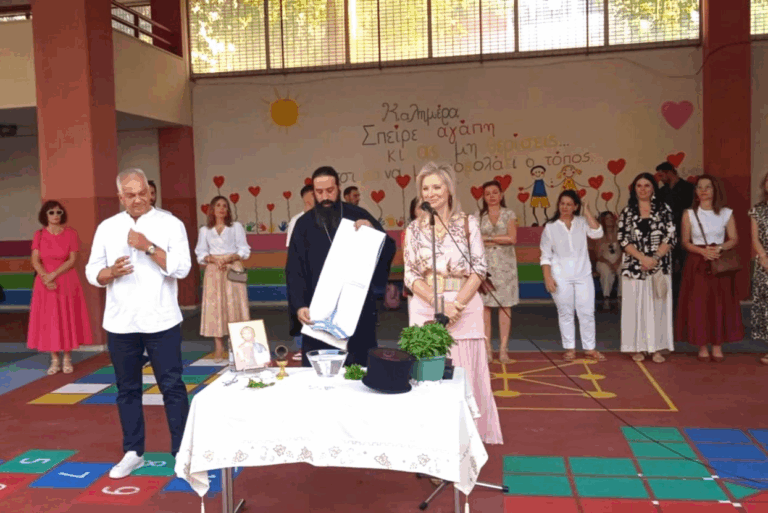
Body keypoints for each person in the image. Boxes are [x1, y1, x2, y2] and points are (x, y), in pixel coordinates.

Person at [85, 168, 192, 479]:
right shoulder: (107, 227)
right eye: (130, 195)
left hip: (162, 320)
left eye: (142, 193)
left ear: (150, 192)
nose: (137, 199)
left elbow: (182, 269)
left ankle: (182, 453)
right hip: (121, 323)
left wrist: (149, 247)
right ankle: (133, 452)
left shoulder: (170, 224)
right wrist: (111, 273)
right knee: (127, 390)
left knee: (172, 387)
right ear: (120, 197)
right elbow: (92, 272)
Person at [403, 162, 503, 444]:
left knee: (465, 373)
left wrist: (455, 306)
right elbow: (410, 274)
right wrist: (439, 304)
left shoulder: (468, 223)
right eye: (425, 188)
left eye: (437, 186)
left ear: (449, 190)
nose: (430, 193)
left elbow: (479, 269)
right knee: (427, 376)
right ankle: (433, 439)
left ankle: (468, 439)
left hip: (464, 306)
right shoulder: (414, 229)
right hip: (426, 307)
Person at [285, 166, 396, 366]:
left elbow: (388, 248)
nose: (325, 197)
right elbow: (294, 269)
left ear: (338, 188)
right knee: (320, 369)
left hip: (357, 308)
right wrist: (299, 305)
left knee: (359, 368)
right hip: (317, 310)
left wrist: (372, 231)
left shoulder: (358, 214)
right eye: (319, 192)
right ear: (313, 192)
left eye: (330, 191)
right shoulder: (303, 225)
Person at [676, 174, 744, 362]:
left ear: (715, 190)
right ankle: (702, 346)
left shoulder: (726, 212)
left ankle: (717, 345)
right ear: (695, 191)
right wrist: (702, 251)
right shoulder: (689, 213)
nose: (703, 190)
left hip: (719, 263)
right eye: (699, 187)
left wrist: (719, 248)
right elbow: (685, 241)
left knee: (719, 304)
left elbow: (734, 239)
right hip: (697, 263)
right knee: (699, 305)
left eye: (708, 187)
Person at [28, 200, 93, 375]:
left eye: (59, 212)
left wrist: (53, 275)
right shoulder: (39, 235)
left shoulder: (71, 233)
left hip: (66, 280)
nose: (55, 215)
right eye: (51, 212)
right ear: (45, 215)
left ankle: (67, 359)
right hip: (45, 283)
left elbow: (72, 260)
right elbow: (35, 260)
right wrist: (45, 277)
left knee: (67, 317)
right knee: (51, 319)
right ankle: (54, 360)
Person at [617, 173, 676, 363]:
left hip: (659, 267)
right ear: (634, 189)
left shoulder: (664, 209)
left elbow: (670, 236)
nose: (643, 189)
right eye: (639, 185)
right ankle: (637, 347)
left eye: (647, 185)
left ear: (653, 188)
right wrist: (643, 258)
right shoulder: (627, 211)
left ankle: (656, 348)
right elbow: (623, 239)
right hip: (634, 268)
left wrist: (655, 258)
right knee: (635, 309)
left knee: (658, 309)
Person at [540, 190, 604, 361]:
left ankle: (590, 348)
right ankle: (570, 348)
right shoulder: (551, 227)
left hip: (583, 274)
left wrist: (587, 211)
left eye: (569, 204)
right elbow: (545, 255)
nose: (565, 207)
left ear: (575, 206)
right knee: (565, 312)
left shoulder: (582, 222)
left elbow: (598, 233)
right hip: (560, 275)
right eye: (562, 203)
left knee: (587, 312)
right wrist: (548, 277)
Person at [195, 195, 251, 362]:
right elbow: (200, 252)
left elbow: (244, 249)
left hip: (233, 268)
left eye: (225, 206)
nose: (221, 208)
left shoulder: (235, 227)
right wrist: (213, 259)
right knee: (215, 308)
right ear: (212, 209)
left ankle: (238, 344)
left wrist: (230, 258)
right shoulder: (205, 230)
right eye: (218, 205)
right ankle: (219, 347)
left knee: (236, 305)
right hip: (213, 271)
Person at [474, 180, 519, 364]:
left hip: (506, 267)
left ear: (501, 195)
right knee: (485, 307)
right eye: (487, 193)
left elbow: (512, 238)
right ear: (483, 198)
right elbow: (475, 240)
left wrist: (489, 238)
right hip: (485, 267)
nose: (491, 196)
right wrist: (499, 238)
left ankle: (503, 349)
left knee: (505, 306)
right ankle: (487, 349)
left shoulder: (509, 214)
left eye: (495, 192)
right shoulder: (478, 216)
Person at [656, 162, 695, 308]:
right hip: (666, 235)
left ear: (669, 172)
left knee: (686, 266)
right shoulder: (662, 191)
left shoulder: (688, 188)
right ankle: (670, 298)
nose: (661, 179)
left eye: (662, 175)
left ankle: (687, 298)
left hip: (685, 233)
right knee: (668, 267)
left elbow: (692, 211)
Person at [285, 184, 315, 360]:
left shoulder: (324, 217)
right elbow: (291, 249)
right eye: (312, 194)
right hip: (302, 271)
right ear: (305, 198)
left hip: (319, 272)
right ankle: (301, 347)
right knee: (300, 308)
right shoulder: (297, 220)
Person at [749, 172, 768, 365]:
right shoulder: (757, 210)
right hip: (765, 263)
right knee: (766, 307)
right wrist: (763, 258)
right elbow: (755, 239)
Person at [594, 211, 621, 313]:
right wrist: (610, 264)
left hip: (618, 260)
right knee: (606, 271)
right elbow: (598, 256)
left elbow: (624, 251)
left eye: (611, 218)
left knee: (623, 270)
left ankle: (620, 297)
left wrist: (617, 262)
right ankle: (606, 297)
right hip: (604, 261)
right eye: (607, 218)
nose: (609, 220)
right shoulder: (599, 235)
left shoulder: (619, 233)